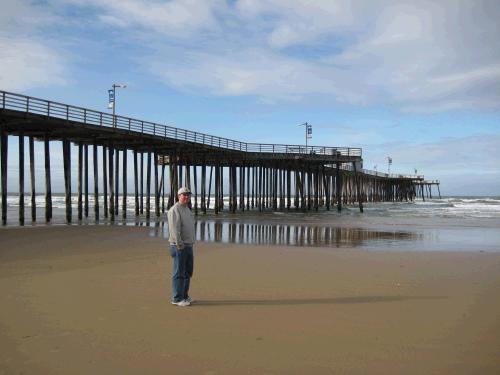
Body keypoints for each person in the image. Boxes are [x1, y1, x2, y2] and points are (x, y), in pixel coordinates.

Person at [167, 187, 195, 307]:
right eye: (184, 195)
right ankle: (177, 298)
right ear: (179, 196)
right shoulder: (174, 210)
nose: (187, 197)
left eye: (188, 195)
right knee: (179, 273)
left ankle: (184, 296)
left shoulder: (187, 209)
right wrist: (179, 244)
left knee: (188, 272)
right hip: (179, 246)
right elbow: (174, 229)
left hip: (189, 245)